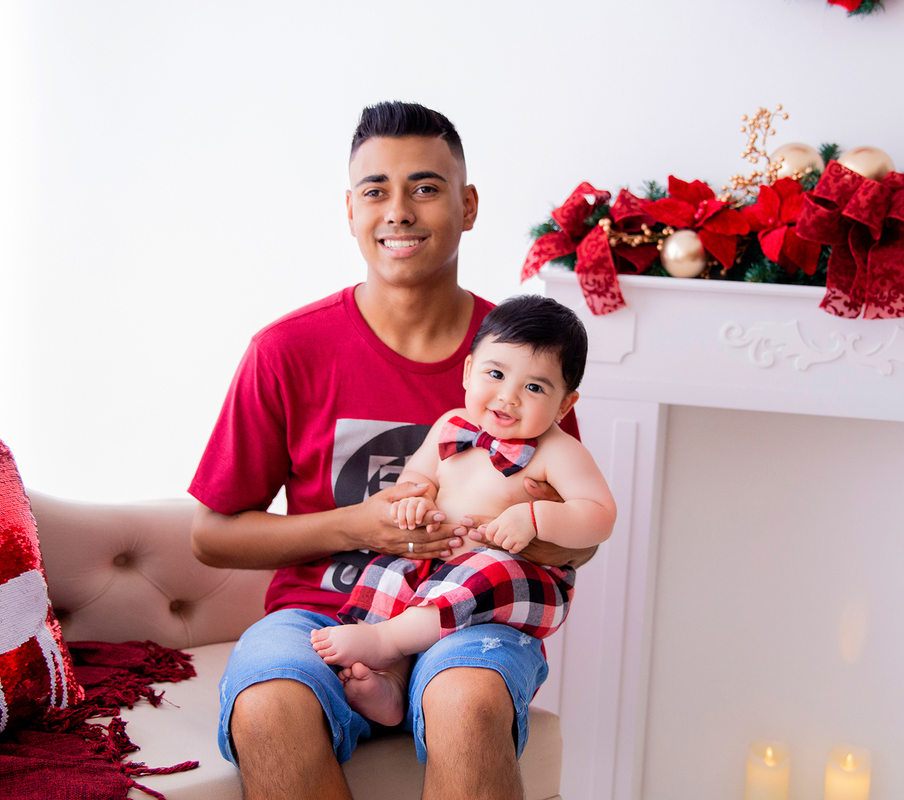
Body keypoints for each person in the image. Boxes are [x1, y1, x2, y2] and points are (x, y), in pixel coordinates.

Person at [188, 101, 596, 800]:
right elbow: (211, 535)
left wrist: (520, 528)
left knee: (466, 704)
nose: (399, 211)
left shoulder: (521, 360)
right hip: (322, 612)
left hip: (467, 616)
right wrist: (360, 526)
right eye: (376, 191)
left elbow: (578, 539)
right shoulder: (286, 352)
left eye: (426, 188)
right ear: (350, 211)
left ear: (467, 206)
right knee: (267, 707)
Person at [310, 295, 615, 727]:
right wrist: (416, 498)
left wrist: (533, 519)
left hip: (518, 583)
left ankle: (384, 640)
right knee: (390, 572)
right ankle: (391, 685)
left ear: (565, 405)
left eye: (534, 387)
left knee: (489, 565)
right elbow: (417, 477)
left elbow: (600, 514)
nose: (508, 398)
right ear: (469, 371)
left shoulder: (559, 452)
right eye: (495, 374)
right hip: (436, 572)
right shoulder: (452, 425)